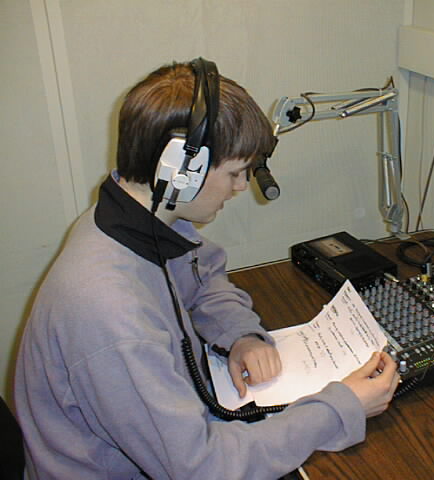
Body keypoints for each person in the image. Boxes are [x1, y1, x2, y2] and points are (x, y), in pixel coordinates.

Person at [14, 58, 400, 480]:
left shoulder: (131, 216)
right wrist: (342, 407)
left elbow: (200, 275)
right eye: (235, 172)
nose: (240, 187)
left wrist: (240, 334)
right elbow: (201, 468)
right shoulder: (111, 316)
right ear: (181, 171)